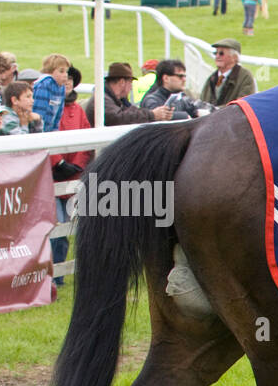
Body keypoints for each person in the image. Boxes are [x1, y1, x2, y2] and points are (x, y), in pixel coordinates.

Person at [49, 65, 91, 285]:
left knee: (67, 228)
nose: (67, 82)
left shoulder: (78, 110)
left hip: (72, 176)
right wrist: (58, 162)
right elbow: (45, 134)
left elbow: (86, 141)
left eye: (70, 79)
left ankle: (59, 275)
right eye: (62, 78)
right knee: (54, 227)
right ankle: (50, 274)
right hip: (51, 175)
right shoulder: (48, 109)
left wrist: (76, 165)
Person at [83, 62, 173, 126]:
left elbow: (129, 112)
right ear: (122, 82)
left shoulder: (115, 99)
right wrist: (152, 115)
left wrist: (153, 115)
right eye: (130, 82)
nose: (131, 87)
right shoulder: (102, 99)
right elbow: (118, 118)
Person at [200, 39, 257, 106]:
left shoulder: (245, 77)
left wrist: (214, 110)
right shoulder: (212, 78)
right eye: (215, 53)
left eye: (221, 53)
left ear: (234, 57)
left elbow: (242, 106)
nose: (217, 56)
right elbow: (202, 102)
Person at [29, 53, 69, 133]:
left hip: (49, 131)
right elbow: (39, 111)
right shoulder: (44, 85)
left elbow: (58, 115)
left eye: (66, 72)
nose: (65, 75)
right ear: (50, 71)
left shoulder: (61, 88)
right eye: (61, 71)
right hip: (37, 130)